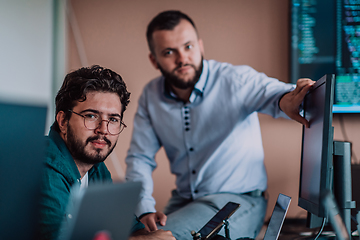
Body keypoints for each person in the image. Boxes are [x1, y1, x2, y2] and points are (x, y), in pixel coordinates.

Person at [125, 10, 314, 239]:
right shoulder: (150, 96)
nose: (182, 58)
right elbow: (140, 158)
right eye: (168, 52)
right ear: (154, 60)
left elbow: (274, 95)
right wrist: (144, 208)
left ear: (200, 46)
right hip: (184, 200)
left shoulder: (234, 80)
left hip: (238, 200)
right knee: (125, 233)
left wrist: (291, 100)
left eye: (188, 46)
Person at [39, 65, 175, 240]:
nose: (103, 130)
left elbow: (129, 228)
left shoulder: (97, 169)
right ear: (63, 121)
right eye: (91, 116)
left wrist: (153, 236)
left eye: (112, 119)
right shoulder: (42, 168)